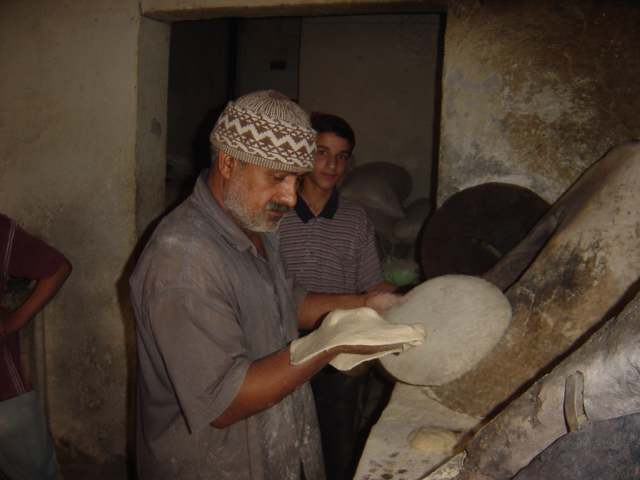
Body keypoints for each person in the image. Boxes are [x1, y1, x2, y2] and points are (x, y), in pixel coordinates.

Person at [129, 90, 404, 480]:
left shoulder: (256, 223)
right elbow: (224, 402)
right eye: (277, 178)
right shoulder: (184, 261)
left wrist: (365, 303)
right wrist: (331, 341)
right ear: (228, 163)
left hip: (275, 447)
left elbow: (286, 299)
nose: (291, 197)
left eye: (295, 178)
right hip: (216, 464)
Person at [278, 113, 396, 479]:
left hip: (339, 350)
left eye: (342, 156)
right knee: (282, 446)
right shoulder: (275, 213)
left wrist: (403, 298)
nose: (332, 164)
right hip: (281, 346)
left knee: (336, 448)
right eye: (321, 152)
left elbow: (370, 284)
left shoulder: (356, 217)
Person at [0, 213, 72, 480]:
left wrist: (13, 320)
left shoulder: (2, 231)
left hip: (4, 390)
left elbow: (57, 268)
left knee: (37, 471)